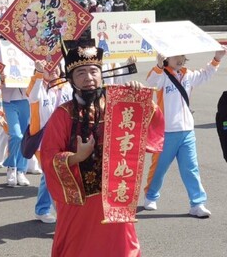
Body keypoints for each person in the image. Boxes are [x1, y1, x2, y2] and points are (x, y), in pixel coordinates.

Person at [40, 41, 165, 257]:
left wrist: (140, 101)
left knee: (120, 246)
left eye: (93, 71)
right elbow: (48, 156)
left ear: (101, 74)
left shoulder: (119, 103)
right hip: (80, 198)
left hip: (116, 193)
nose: (89, 78)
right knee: (77, 247)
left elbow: (150, 128)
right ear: (70, 79)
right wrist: (77, 156)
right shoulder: (63, 114)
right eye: (81, 73)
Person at [144, 50, 226, 217]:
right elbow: (152, 84)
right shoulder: (161, 75)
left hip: (187, 131)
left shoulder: (187, 75)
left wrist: (217, 59)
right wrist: (159, 67)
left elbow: (205, 75)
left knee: (191, 168)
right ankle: (151, 196)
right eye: (176, 56)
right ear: (167, 57)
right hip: (166, 132)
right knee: (159, 168)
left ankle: (197, 203)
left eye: (182, 56)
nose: (180, 60)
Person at [27, 59, 72, 223]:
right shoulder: (38, 88)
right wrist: (38, 74)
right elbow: (32, 96)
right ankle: (63, 216)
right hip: (43, 142)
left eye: (55, 67)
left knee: (50, 176)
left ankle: (41, 209)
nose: (52, 70)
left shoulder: (67, 87)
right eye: (48, 68)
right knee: (53, 175)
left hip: (64, 139)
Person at [0, 37, 31, 187]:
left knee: (25, 136)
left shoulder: (27, 46)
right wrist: (0, 76)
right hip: (7, 99)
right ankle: (12, 167)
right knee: (16, 135)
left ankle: (21, 170)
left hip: (25, 98)